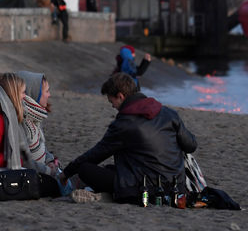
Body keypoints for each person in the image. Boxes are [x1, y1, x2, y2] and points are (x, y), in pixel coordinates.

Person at [59, 73, 197, 204]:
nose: (112, 106)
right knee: (109, 168)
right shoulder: (169, 113)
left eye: (111, 101)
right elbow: (191, 145)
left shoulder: (124, 123)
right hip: (176, 186)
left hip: (144, 189)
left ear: (120, 96)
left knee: (85, 169)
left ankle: (102, 195)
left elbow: (96, 154)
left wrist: (66, 172)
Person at [16, 71, 67, 198]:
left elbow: (40, 145)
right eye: (46, 91)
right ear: (34, 93)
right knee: (56, 187)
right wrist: (49, 171)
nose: (49, 95)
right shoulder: (20, 121)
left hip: (37, 169)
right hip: (26, 174)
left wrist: (49, 160)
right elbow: (23, 160)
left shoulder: (34, 117)